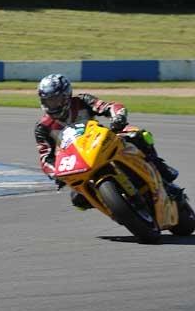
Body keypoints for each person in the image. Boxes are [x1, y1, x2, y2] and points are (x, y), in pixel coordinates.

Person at [34, 73, 181, 209]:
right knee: (78, 200)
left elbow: (109, 106)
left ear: (66, 96)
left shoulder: (82, 101)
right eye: (47, 100)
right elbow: (46, 158)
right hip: (79, 162)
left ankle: (164, 174)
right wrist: (56, 173)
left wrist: (117, 117)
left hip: (101, 143)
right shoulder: (43, 127)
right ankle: (118, 209)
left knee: (137, 135)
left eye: (55, 100)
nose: (51, 104)